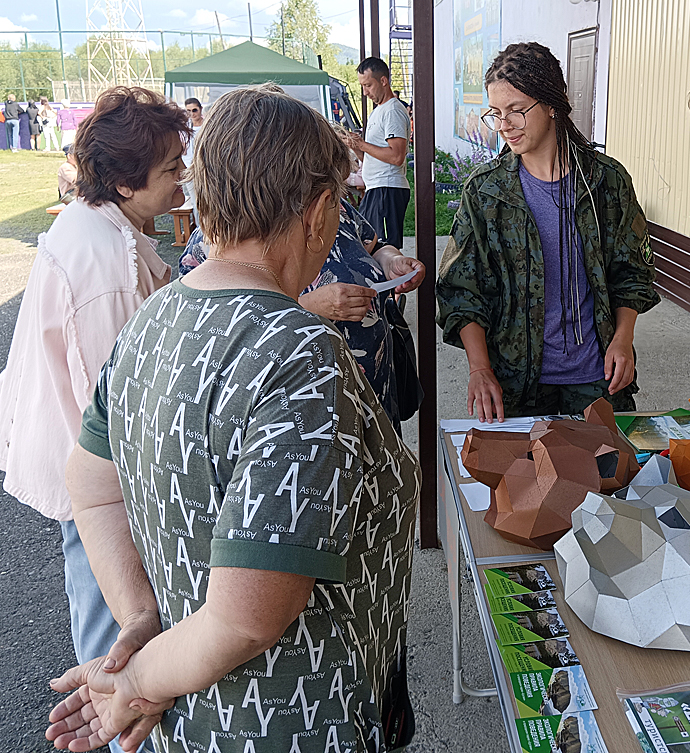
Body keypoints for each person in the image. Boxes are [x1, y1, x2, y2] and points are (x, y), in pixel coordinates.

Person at [45, 83, 420, 753]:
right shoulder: (298, 350)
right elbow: (247, 617)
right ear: (321, 211)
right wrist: (135, 678)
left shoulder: (155, 316)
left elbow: (91, 484)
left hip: (189, 723)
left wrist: (139, 617)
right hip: (288, 725)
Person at [0, 86, 190, 753]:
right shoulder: (104, 260)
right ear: (121, 179)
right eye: (170, 169)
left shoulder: (102, 226)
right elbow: (114, 407)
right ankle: (113, 729)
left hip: (82, 463)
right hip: (94, 478)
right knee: (114, 625)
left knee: (110, 610)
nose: (181, 180)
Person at [436, 42, 659, 422]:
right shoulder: (486, 190)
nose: (504, 125)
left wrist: (623, 339)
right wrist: (479, 368)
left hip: (597, 378)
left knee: (606, 478)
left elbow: (632, 273)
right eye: (496, 113)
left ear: (551, 104)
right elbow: (461, 289)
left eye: (517, 111)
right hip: (515, 383)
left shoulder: (605, 181)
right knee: (521, 480)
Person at [176, 123, 426, 430]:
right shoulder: (219, 232)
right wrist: (307, 306)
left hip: (371, 386)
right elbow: (216, 327)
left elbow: (371, 244)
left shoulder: (337, 208)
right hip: (306, 399)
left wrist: (391, 261)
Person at [349, 57, 411, 250]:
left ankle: (396, 281)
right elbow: (371, 156)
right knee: (370, 247)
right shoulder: (379, 110)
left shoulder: (392, 110)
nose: (365, 92)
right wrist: (357, 147)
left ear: (383, 81)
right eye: (362, 86)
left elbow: (396, 156)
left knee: (384, 249)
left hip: (387, 189)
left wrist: (362, 144)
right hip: (376, 188)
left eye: (368, 85)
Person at [181, 97, 205, 218]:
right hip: (189, 168)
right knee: (196, 203)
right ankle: (199, 231)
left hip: (206, 167)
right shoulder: (184, 128)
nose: (191, 114)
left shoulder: (208, 125)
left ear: (201, 109)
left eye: (194, 110)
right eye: (188, 111)